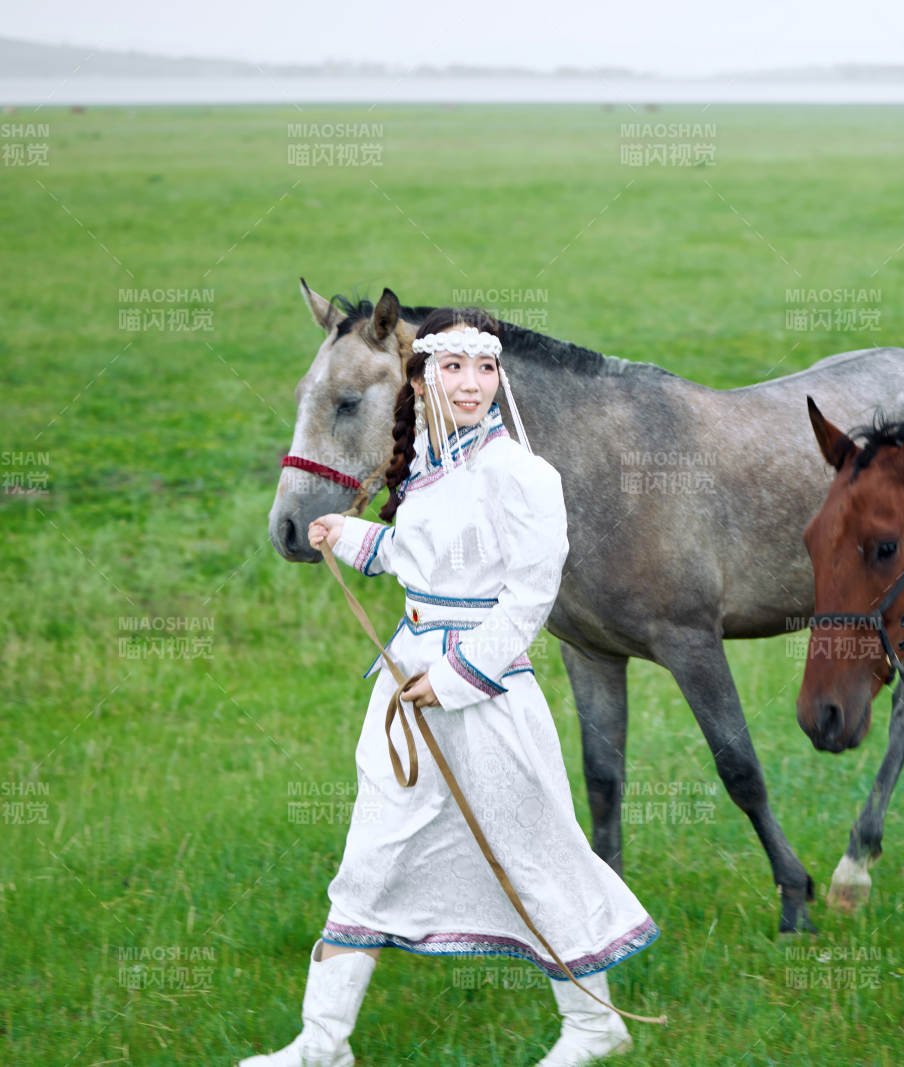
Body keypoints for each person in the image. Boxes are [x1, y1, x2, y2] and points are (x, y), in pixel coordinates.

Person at [239, 307, 657, 1067]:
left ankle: (595, 1025)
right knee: (371, 853)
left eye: (485, 368)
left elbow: (529, 596)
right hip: (405, 694)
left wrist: (458, 676)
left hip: (486, 699)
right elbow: (416, 556)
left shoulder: (525, 475)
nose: (471, 383)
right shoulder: (430, 470)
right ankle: (322, 1043)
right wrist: (347, 535)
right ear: (423, 379)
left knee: (530, 851)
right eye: (454, 367)